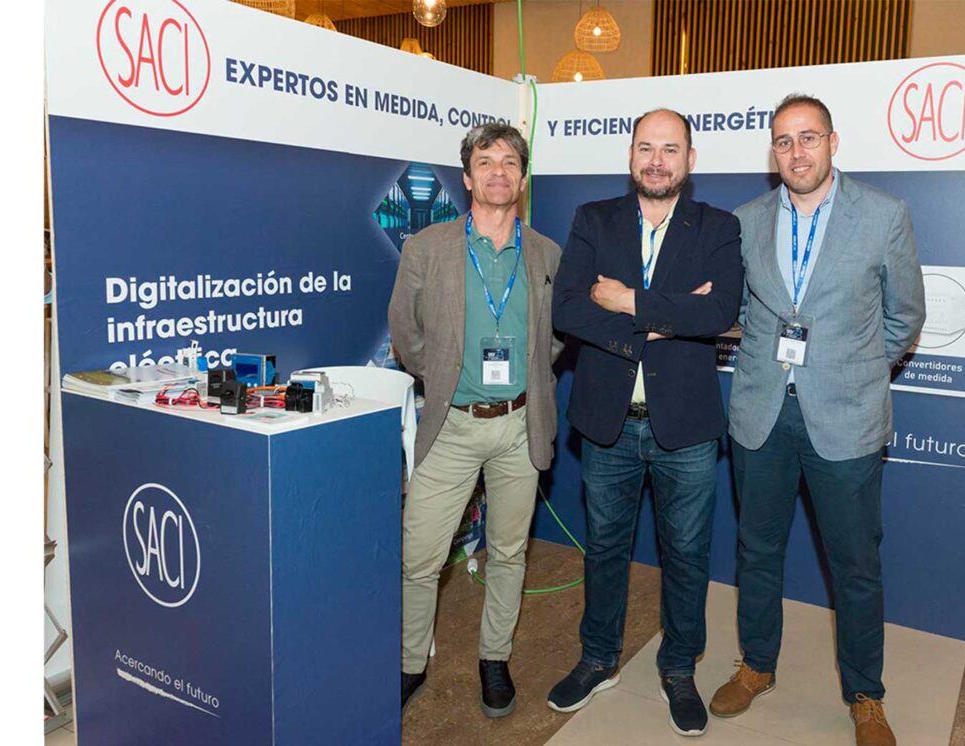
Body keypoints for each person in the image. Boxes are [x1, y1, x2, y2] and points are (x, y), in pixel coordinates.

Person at [709, 94, 925, 746]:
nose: (796, 152)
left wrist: (854, 371)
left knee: (855, 566)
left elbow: (905, 316)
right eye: (784, 141)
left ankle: (865, 695)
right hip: (762, 414)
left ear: (833, 142)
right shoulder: (746, 221)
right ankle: (757, 664)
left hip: (846, 418)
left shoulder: (884, 214)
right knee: (757, 549)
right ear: (772, 152)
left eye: (808, 138)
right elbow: (740, 312)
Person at [546, 108, 743, 738]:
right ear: (630, 155)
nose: (657, 160)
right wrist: (659, 324)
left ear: (690, 159)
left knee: (686, 553)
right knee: (605, 548)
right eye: (646, 148)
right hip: (608, 422)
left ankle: (679, 668)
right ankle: (598, 657)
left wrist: (626, 301)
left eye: (670, 149)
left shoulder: (718, 227)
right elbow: (568, 309)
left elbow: (720, 312)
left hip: (686, 426)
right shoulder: (593, 219)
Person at [387, 123, 563, 718]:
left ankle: (494, 658)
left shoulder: (546, 254)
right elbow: (405, 331)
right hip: (452, 426)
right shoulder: (427, 247)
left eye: (509, 161)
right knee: (420, 556)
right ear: (466, 177)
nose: (498, 172)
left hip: (520, 427)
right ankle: (411, 663)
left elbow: (555, 339)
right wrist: (442, 377)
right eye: (485, 162)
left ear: (522, 177)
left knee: (509, 553)